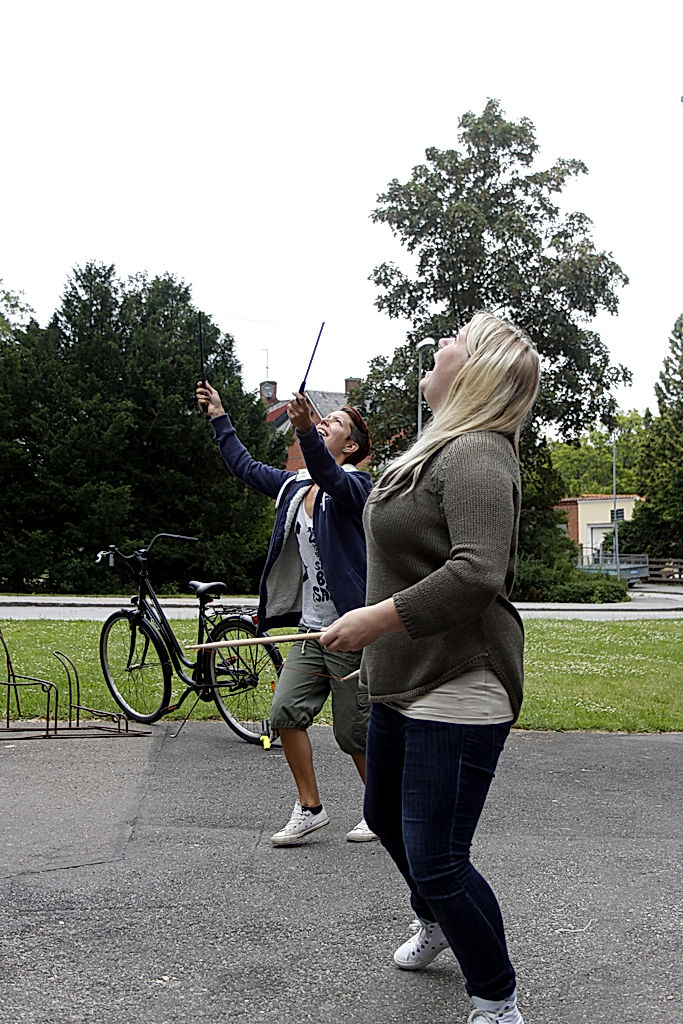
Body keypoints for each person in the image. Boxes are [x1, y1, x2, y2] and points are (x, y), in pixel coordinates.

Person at [321, 312, 540, 1024]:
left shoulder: (477, 451)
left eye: (454, 339)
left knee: (439, 856)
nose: (440, 343)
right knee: (384, 815)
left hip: (461, 677)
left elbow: (478, 573)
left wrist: (371, 621)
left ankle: (496, 997)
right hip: (405, 674)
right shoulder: (435, 446)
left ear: (471, 369)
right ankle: (441, 921)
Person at [196, 379, 377, 847]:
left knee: (353, 732)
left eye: (334, 423)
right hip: (310, 629)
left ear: (350, 445)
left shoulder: (356, 486)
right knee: (284, 713)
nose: (323, 423)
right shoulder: (297, 485)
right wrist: (220, 416)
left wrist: (305, 435)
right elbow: (246, 468)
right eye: (322, 421)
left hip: (350, 630)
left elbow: (330, 476)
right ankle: (310, 807)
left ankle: (380, 810)